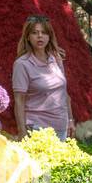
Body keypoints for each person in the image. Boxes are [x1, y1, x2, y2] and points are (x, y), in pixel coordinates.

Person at [12, 14, 74, 143]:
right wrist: (22, 131)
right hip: (37, 128)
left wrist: (70, 120)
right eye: (35, 33)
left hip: (61, 127)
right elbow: (19, 100)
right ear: (28, 37)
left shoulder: (56, 58)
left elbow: (64, 94)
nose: (40, 36)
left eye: (44, 33)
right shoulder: (22, 64)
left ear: (49, 36)